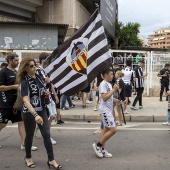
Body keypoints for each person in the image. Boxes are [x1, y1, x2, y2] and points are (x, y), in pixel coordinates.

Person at [18, 57, 62, 169]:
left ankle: (51, 160)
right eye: (31, 66)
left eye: (35, 65)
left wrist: (46, 92)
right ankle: (28, 157)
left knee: (47, 135)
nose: (34, 67)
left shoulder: (39, 78)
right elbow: (26, 100)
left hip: (41, 109)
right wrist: (35, 115)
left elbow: (43, 89)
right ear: (26, 68)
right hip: (29, 112)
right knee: (30, 136)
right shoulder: (24, 82)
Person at [0, 53, 37, 151]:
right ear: (9, 61)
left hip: (16, 103)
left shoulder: (16, 72)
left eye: (18, 60)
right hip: (5, 103)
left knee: (21, 122)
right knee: (3, 124)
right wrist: (13, 87)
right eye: (15, 60)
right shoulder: (3, 72)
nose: (17, 62)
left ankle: (24, 144)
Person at [92, 68, 119, 158]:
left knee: (106, 129)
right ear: (105, 75)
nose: (112, 75)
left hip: (108, 109)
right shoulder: (103, 84)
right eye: (111, 74)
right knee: (113, 129)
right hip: (104, 110)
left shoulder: (109, 84)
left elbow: (109, 97)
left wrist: (117, 100)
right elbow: (104, 97)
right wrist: (114, 90)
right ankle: (98, 145)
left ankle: (102, 149)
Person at [36, 52, 59, 144]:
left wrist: (55, 95)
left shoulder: (47, 71)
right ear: (43, 60)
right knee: (49, 116)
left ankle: (39, 129)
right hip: (43, 96)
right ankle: (48, 136)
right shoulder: (39, 70)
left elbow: (51, 83)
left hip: (49, 96)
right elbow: (46, 80)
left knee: (52, 116)